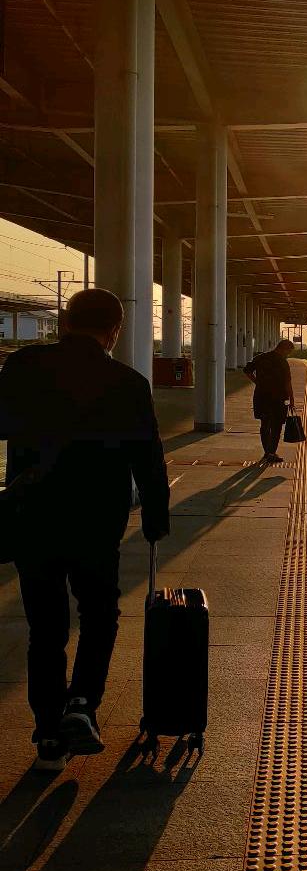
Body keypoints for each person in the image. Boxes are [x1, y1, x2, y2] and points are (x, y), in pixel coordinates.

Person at [0, 288, 170, 770]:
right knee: (98, 614)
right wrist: (156, 516)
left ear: (65, 322)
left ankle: (48, 737)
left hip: (33, 516)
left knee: (45, 628)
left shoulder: (24, 367)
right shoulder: (128, 383)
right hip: (96, 521)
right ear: (114, 331)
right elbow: (148, 457)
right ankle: (81, 705)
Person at [243, 339, 296, 463]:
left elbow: (247, 370)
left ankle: (267, 452)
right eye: (288, 352)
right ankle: (271, 452)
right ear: (284, 349)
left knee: (265, 424)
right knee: (277, 426)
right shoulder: (282, 362)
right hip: (279, 397)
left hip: (262, 396)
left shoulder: (261, 357)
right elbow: (287, 383)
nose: (288, 354)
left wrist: (257, 382)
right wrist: (292, 400)